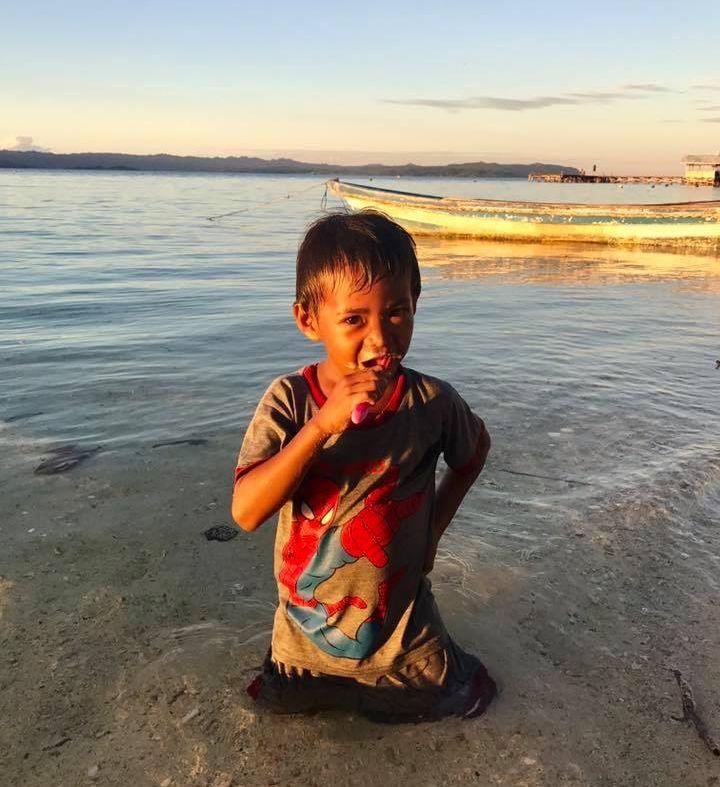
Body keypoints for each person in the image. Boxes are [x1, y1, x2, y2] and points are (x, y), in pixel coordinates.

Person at [231, 210, 496, 721]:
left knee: (463, 708)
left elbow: (473, 454)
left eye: (396, 312)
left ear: (416, 305)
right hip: (303, 645)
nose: (380, 338)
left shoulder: (432, 402)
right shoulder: (289, 401)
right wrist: (320, 428)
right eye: (354, 319)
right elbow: (245, 511)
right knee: (287, 725)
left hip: (405, 640)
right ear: (309, 321)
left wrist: (432, 533)